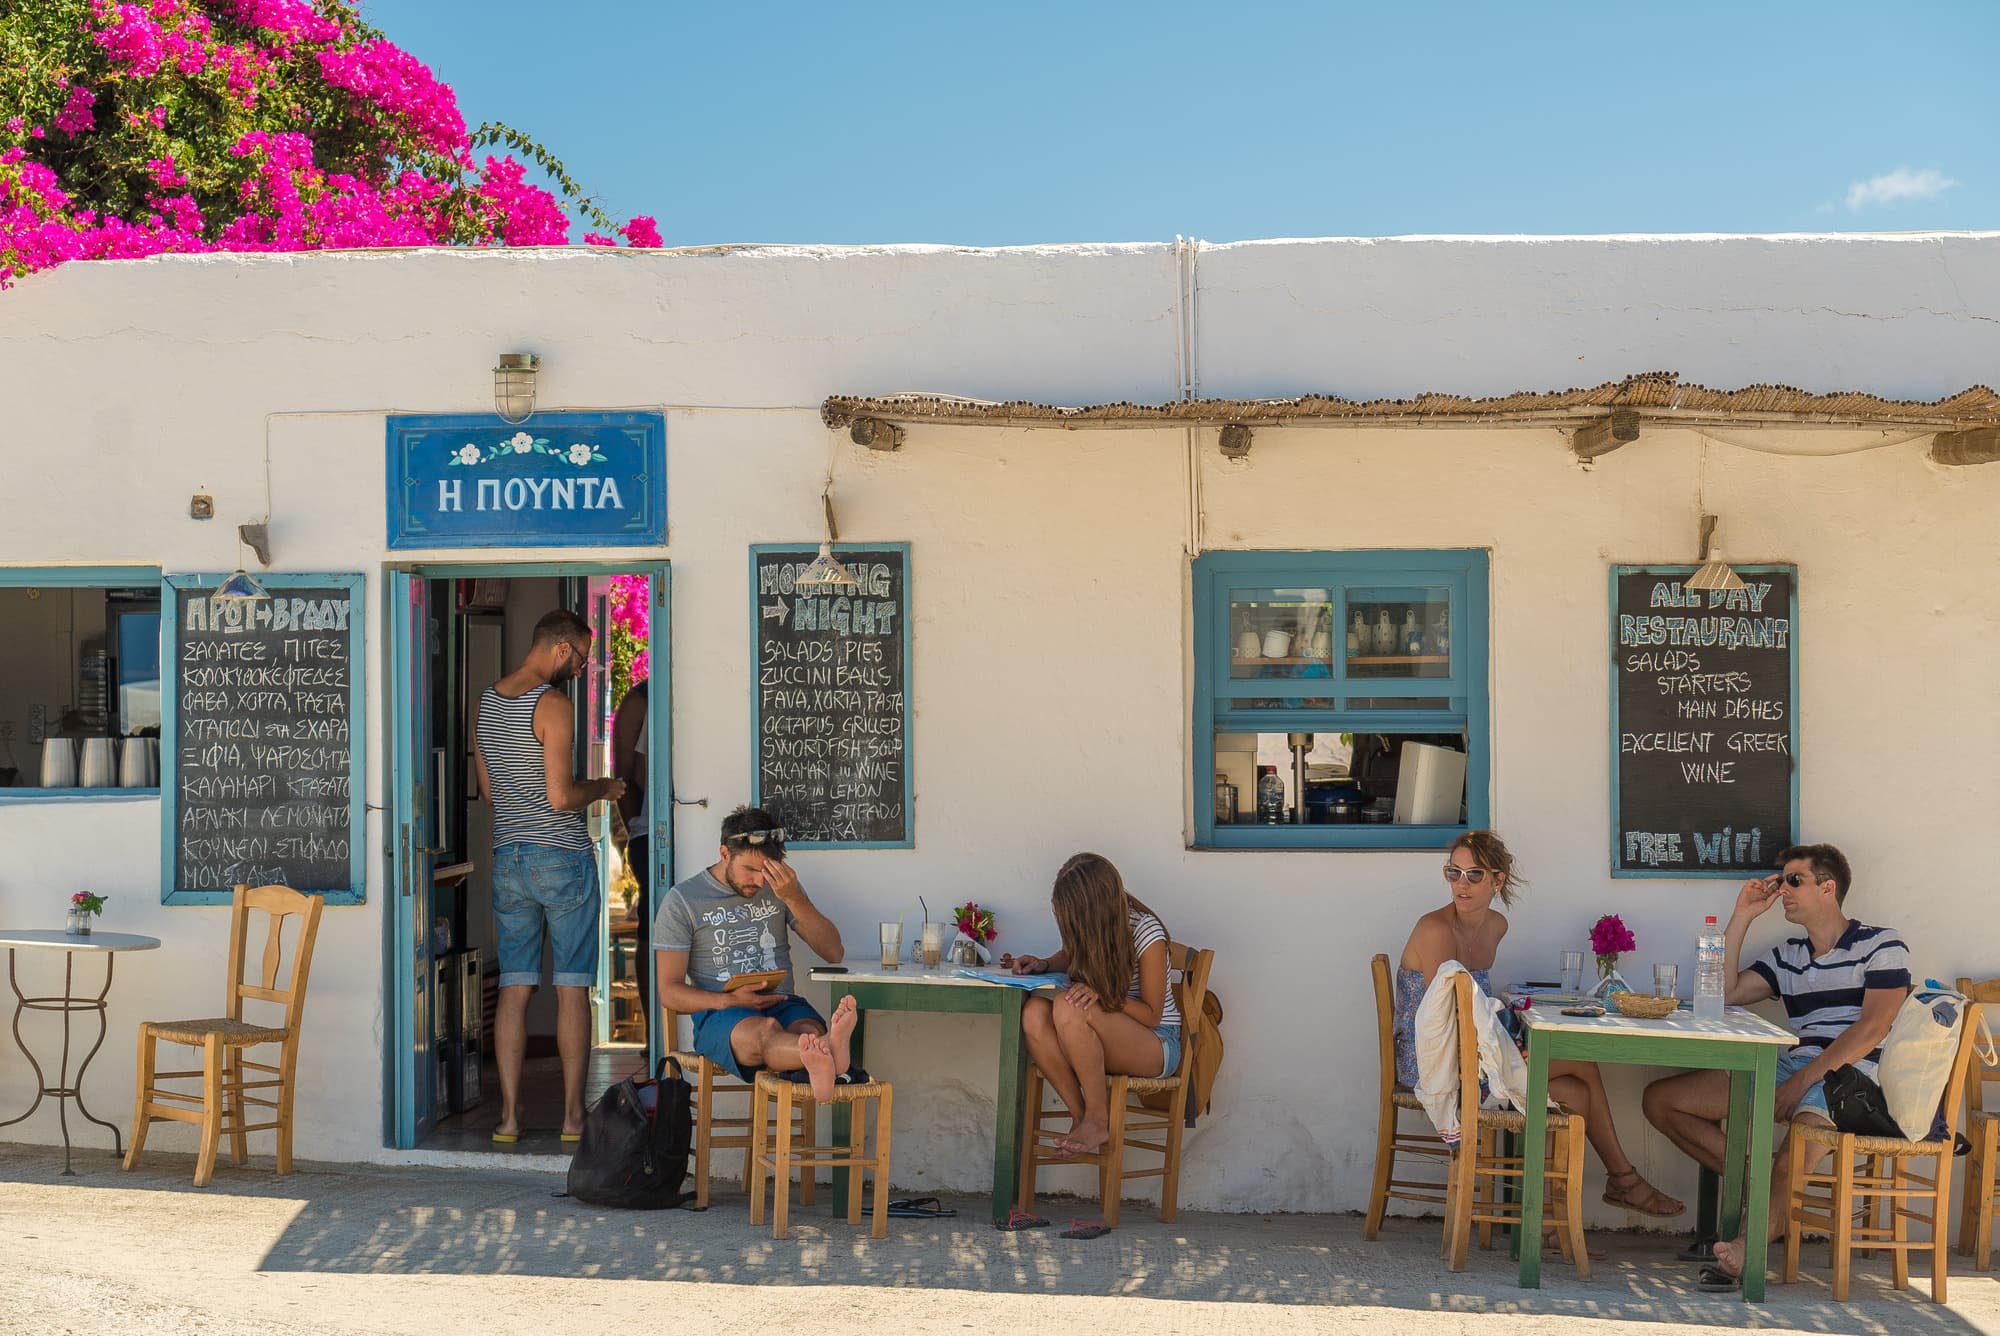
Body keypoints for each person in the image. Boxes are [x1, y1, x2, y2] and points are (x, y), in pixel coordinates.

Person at [1641, 843, 1910, 1287]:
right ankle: (1765, 1195)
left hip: (1850, 1078)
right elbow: (1722, 993)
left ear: (1828, 887)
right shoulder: (1788, 955)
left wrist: (1804, 1080)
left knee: (1790, 1160)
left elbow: (1872, 1029)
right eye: (1781, 880)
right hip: (1792, 1066)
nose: (1782, 888)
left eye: (1793, 880)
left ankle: (1747, 1249)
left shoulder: (1882, 944)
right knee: (1663, 1100)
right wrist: (1744, 914)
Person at [1396, 830, 1684, 1221]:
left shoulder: (1496, 926)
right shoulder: (1436, 930)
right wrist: (1514, 1049)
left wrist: (1511, 1044)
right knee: (1580, 1063)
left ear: (1498, 880)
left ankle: (1546, 1223)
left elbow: (1476, 1013)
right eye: (1454, 873)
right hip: (1436, 1061)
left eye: (1474, 875)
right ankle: (1624, 1179)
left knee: (1576, 1094)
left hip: (1475, 1051)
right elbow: (1442, 1023)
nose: (1461, 885)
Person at [472, 609, 626, 1144]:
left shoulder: (487, 703)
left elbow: (492, 795)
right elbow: (561, 797)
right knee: (571, 989)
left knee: (515, 988)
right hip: (560, 858)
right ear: (561, 648)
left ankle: (509, 1119)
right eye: (582, 658)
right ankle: (571, 1118)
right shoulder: (552, 705)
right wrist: (603, 787)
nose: (582, 668)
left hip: (508, 858)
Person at [652, 805, 855, 1101]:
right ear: (724, 854)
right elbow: (669, 992)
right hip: (721, 1013)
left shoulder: (781, 888)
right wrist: (728, 999)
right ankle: (829, 1051)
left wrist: (794, 897)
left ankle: (821, 1049)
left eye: (767, 871)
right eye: (750, 869)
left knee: (806, 1028)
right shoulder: (683, 900)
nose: (760, 881)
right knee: (765, 1032)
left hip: (783, 1001)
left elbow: (833, 952)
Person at [1005, 852, 1182, 1158]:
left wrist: (1103, 996)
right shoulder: (1095, 929)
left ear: (1095, 908)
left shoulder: (1145, 932)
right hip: (1105, 1039)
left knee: (1070, 1006)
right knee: (1034, 1013)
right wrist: (1045, 963)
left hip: (1156, 1043)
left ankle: (1098, 1120)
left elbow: (1152, 1015)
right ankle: (1081, 1117)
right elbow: (1069, 955)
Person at [611, 679, 651, 1022]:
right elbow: (627, 774)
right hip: (652, 835)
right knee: (651, 931)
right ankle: (657, 1036)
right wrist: (638, 830)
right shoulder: (640, 699)